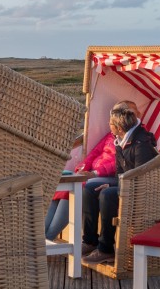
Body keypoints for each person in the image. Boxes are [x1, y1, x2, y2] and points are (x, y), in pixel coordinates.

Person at [46, 100, 139, 242]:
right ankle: (42, 235)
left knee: (80, 185)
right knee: (63, 184)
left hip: (108, 176)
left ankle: (49, 236)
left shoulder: (134, 137)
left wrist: (95, 173)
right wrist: (83, 167)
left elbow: (117, 164)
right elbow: (95, 152)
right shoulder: (111, 135)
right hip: (93, 172)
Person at [82, 105, 157, 265]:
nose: (108, 126)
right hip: (126, 182)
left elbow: (141, 176)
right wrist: (113, 184)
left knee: (107, 195)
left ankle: (105, 249)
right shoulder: (120, 141)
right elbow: (119, 174)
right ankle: (90, 241)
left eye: (110, 124)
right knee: (89, 188)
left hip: (140, 189)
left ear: (119, 127)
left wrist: (111, 187)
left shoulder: (141, 144)